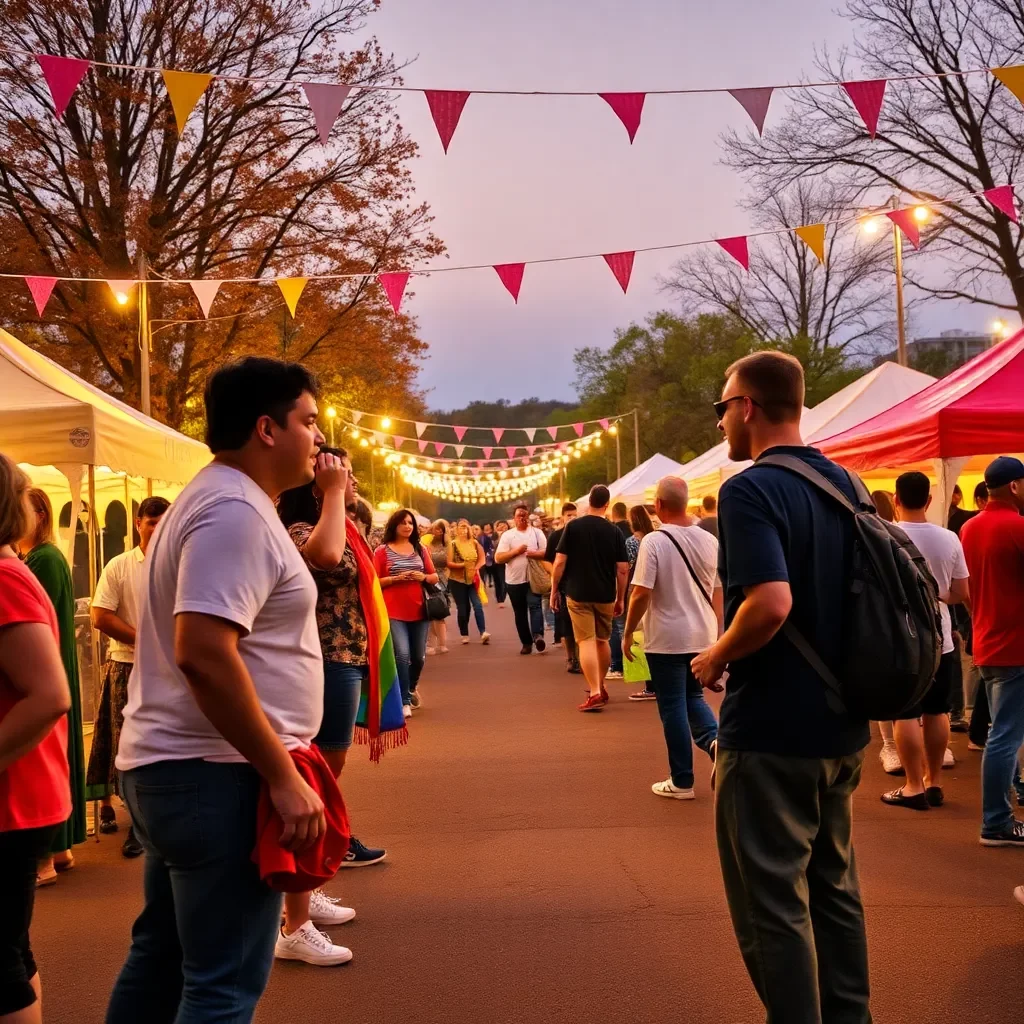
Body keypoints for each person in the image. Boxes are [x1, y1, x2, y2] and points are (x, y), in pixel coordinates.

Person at [106, 357, 333, 1022]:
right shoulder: (232, 512)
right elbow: (204, 653)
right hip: (218, 776)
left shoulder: (215, 501)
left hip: (186, 770)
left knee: (163, 963)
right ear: (267, 428)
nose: (317, 438)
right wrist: (280, 774)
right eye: (308, 421)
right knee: (222, 987)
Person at [692, 351, 871, 1023]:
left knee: (771, 906)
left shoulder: (749, 489)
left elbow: (770, 603)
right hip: (844, 722)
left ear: (746, 406)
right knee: (834, 888)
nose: (720, 423)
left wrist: (715, 654)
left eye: (721, 407)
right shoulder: (847, 484)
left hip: (771, 727)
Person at [276, 445, 389, 965]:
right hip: (322, 655)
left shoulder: (337, 517)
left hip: (345, 654)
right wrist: (334, 494)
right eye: (343, 473)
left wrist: (339, 497)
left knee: (328, 769)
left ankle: (305, 888)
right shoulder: (301, 525)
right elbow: (325, 558)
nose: (352, 482)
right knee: (317, 771)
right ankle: (292, 916)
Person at [0, 454, 73, 1024]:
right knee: (8, 953)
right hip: (21, 795)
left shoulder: (5, 577)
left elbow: (49, 695)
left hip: (12, 798)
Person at [624, 477, 721, 798]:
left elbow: (640, 593)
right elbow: (718, 591)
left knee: (673, 706)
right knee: (694, 697)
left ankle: (682, 780)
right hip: (702, 634)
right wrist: (717, 634)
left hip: (665, 636)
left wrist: (627, 633)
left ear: (660, 506)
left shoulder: (655, 541)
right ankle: (717, 744)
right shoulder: (709, 540)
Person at [86, 495, 170, 859]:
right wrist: (145, 639)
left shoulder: (179, 564)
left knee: (163, 747)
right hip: (127, 666)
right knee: (127, 748)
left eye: (164, 522)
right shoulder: (119, 566)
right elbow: (99, 615)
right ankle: (134, 825)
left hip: (170, 669)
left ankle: (151, 820)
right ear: (138, 524)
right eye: (152, 522)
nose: (157, 529)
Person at [880, 472, 969, 810]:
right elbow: (961, 592)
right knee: (937, 710)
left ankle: (912, 785)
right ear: (929, 501)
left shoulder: (886, 537)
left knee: (905, 712)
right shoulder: (948, 538)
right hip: (940, 637)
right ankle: (934, 781)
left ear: (897, 500)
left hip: (900, 637)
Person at [19, 488, 86, 887]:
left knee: (43, 756)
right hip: (55, 667)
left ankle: (45, 856)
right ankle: (59, 849)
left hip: (46, 670)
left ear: (40, 516)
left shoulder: (42, 559)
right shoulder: (44, 558)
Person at [961, 456, 1024, 847]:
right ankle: (997, 821)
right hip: (1015, 645)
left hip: (987, 640)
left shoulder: (969, 527)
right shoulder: (1017, 526)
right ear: (1015, 486)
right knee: (1004, 734)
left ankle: (1007, 802)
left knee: (1005, 731)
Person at [550, 485, 629, 712]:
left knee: (585, 641)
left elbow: (560, 562)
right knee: (602, 641)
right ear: (607, 504)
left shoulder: (573, 527)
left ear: (588, 502)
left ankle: (594, 691)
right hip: (605, 594)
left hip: (578, 592)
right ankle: (601, 685)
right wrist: (621, 597)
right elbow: (622, 568)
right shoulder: (614, 531)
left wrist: (555, 589)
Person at [373, 509, 438, 716]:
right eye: (403, 523)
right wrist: (396, 579)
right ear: (394, 525)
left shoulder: (420, 549)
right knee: (402, 655)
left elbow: (434, 576)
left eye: (410, 523)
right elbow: (374, 581)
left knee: (418, 657)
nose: (408, 526)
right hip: (394, 610)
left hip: (420, 609)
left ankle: (411, 687)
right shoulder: (382, 551)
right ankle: (404, 701)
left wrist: (422, 577)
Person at [495, 504, 547, 655]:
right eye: (519, 515)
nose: (522, 518)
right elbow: (498, 558)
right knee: (520, 612)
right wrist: (516, 551)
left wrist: (534, 554)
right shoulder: (508, 535)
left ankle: (538, 636)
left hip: (533, 578)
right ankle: (526, 643)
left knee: (535, 605)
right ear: (514, 518)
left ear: (528, 517)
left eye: (525, 515)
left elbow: (546, 552)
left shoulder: (537, 533)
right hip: (514, 581)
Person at [625, 504, 658, 701]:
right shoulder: (654, 537)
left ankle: (649, 685)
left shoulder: (631, 542)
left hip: (637, 589)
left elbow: (626, 568)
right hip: (654, 592)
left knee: (637, 637)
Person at [544, 503, 579, 673]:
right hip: (563, 586)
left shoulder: (582, 534)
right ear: (563, 516)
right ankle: (571, 657)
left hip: (580, 584)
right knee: (566, 625)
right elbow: (547, 559)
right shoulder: (556, 536)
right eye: (569, 515)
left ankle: (580, 658)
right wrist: (555, 577)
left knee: (580, 625)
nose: (572, 518)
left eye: (574, 515)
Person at [447, 520, 490, 645]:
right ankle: (464, 633)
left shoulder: (474, 543)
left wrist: (477, 567)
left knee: (477, 605)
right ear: (457, 530)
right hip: (457, 580)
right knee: (463, 607)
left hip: (473, 579)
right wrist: (461, 565)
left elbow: (482, 558)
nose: (463, 530)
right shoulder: (453, 544)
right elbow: (449, 562)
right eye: (461, 527)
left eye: (466, 527)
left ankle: (483, 632)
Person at [606, 502, 632, 679]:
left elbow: (621, 567)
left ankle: (618, 665)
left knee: (618, 626)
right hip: (638, 586)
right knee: (633, 627)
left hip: (618, 584)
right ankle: (634, 666)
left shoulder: (613, 532)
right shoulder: (635, 533)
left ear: (614, 513)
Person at [425, 520, 450, 656]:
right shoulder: (426, 543)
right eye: (435, 529)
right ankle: (431, 643)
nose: (438, 531)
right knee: (432, 611)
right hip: (429, 579)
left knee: (440, 612)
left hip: (444, 579)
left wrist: (445, 579)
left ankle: (442, 643)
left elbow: (451, 562)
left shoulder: (449, 545)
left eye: (441, 529)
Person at [492, 520, 509, 606]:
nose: (502, 527)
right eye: (500, 525)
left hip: (505, 561)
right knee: (497, 581)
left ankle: (503, 598)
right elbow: (493, 546)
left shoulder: (509, 535)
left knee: (503, 580)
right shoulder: (494, 536)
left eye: (504, 525)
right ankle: (499, 598)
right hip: (494, 561)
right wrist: (499, 535)